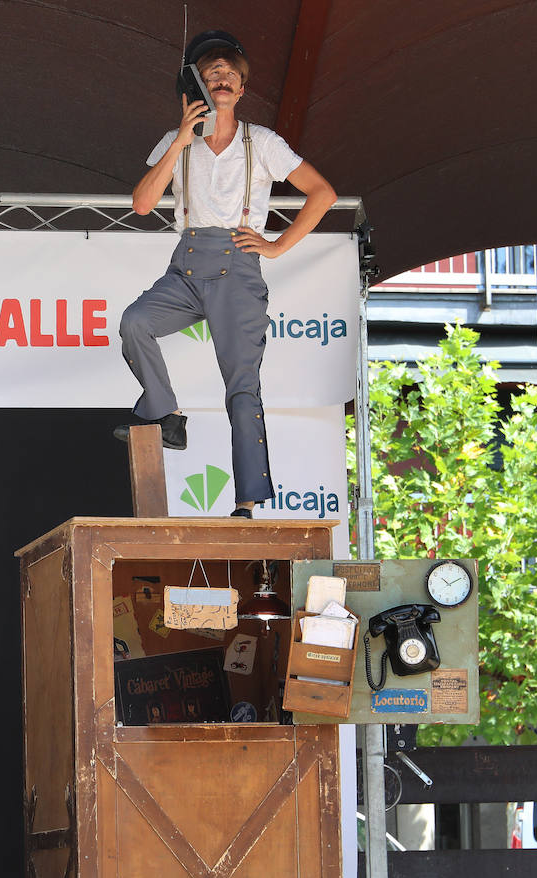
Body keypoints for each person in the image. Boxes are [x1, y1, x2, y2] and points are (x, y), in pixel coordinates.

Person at [114, 30, 337, 518]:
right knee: (136, 321)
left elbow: (323, 193)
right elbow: (142, 204)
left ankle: (246, 502)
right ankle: (166, 413)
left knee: (241, 386)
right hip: (188, 262)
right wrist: (179, 140)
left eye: (231, 76)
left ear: (241, 91)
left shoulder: (263, 142)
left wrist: (277, 246)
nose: (223, 81)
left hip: (237, 266)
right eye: (212, 74)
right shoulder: (177, 144)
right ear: (192, 87)